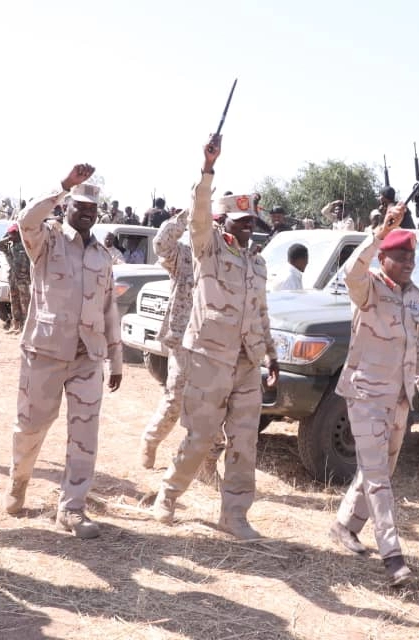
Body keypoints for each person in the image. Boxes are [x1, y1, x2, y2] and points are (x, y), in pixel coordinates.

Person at [150, 134, 279, 541]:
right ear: (224, 223)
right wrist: (207, 170)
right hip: (209, 359)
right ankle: (168, 495)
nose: (248, 228)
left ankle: (234, 515)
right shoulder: (208, 250)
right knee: (201, 437)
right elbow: (199, 217)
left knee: (244, 443)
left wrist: (271, 354)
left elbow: (260, 312)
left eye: (251, 222)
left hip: (246, 363)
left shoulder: (257, 264)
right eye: (241, 222)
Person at [4, 165, 123, 539]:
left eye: (92, 208)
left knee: (85, 434)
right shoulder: (47, 241)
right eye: (79, 206)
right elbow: (26, 219)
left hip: (87, 356)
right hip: (45, 351)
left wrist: (116, 359)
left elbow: (109, 309)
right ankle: (19, 479)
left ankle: (72, 508)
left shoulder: (103, 255)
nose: (86, 213)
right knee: (31, 426)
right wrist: (63, 185)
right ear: (66, 207)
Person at [328, 208, 419, 587]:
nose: (409, 263)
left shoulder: (415, 297)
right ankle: (393, 557)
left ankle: (344, 525)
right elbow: (350, 272)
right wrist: (378, 233)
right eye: (401, 256)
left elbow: (417, 347)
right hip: (366, 394)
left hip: (399, 398)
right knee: (378, 478)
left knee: (380, 469)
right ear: (382, 258)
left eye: (412, 257)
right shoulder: (368, 288)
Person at [139, 209, 223, 479]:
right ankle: (151, 440)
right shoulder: (184, 256)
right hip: (184, 342)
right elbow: (161, 244)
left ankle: (208, 464)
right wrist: (186, 216)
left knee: (213, 405)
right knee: (175, 399)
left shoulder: (226, 262)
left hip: (215, 345)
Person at [0, 223, 31, 333]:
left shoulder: (26, 245)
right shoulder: (9, 245)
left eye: (14, 233)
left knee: (25, 304)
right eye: (11, 233)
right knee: (14, 302)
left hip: (23, 279)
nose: (12, 235)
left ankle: (25, 328)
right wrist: (8, 237)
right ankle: (15, 326)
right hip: (13, 278)